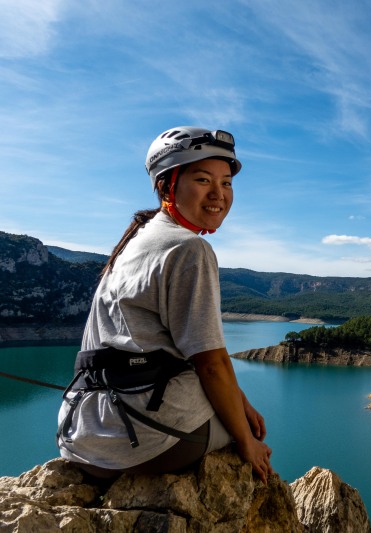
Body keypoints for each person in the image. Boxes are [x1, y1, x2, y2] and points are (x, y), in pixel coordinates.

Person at [57, 126, 273, 482]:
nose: (218, 194)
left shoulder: (137, 238)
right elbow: (211, 364)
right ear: (167, 185)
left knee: (237, 412)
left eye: (227, 183)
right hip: (146, 441)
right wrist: (246, 442)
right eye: (203, 180)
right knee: (247, 436)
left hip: (86, 436)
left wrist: (241, 400)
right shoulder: (189, 249)